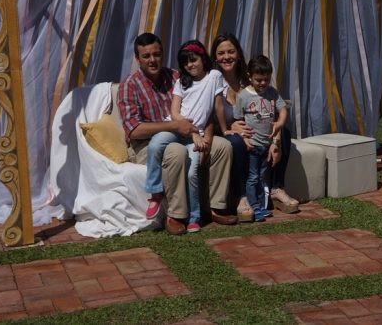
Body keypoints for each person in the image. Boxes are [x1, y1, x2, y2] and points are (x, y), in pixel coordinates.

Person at [118, 33, 237, 235]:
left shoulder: (177, 76)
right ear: (137, 59)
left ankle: (214, 207)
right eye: (146, 56)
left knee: (222, 146)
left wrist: (207, 138)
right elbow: (135, 130)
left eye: (157, 54)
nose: (153, 60)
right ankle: (176, 215)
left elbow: (206, 109)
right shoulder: (130, 85)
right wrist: (175, 126)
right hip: (149, 144)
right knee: (176, 152)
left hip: (190, 134)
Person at [210, 33, 298, 221]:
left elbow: (273, 111)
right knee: (237, 143)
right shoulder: (212, 81)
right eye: (221, 53)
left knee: (284, 133)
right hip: (226, 132)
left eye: (231, 51)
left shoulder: (251, 78)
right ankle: (241, 197)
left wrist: (275, 141)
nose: (226, 57)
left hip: (258, 131)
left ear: (238, 54)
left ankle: (276, 188)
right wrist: (230, 126)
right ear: (215, 57)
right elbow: (206, 116)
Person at [169, 40, 225, 233]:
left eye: (193, 60)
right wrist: (191, 131)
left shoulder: (214, 76)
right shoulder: (181, 82)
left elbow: (218, 107)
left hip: (197, 135)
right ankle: (156, 192)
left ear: (203, 58)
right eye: (185, 62)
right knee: (157, 145)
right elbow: (174, 112)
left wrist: (225, 130)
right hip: (178, 130)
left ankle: (194, 218)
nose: (190, 65)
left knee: (192, 172)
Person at [231, 55, 287, 221]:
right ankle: (254, 207)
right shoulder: (243, 96)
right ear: (250, 76)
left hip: (267, 144)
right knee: (253, 177)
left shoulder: (272, 92)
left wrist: (279, 124)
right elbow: (238, 120)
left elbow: (283, 109)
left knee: (261, 177)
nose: (263, 83)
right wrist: (244, 138)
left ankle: (261, 206)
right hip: (253, 146)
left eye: (266, 80)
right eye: (258, 80)